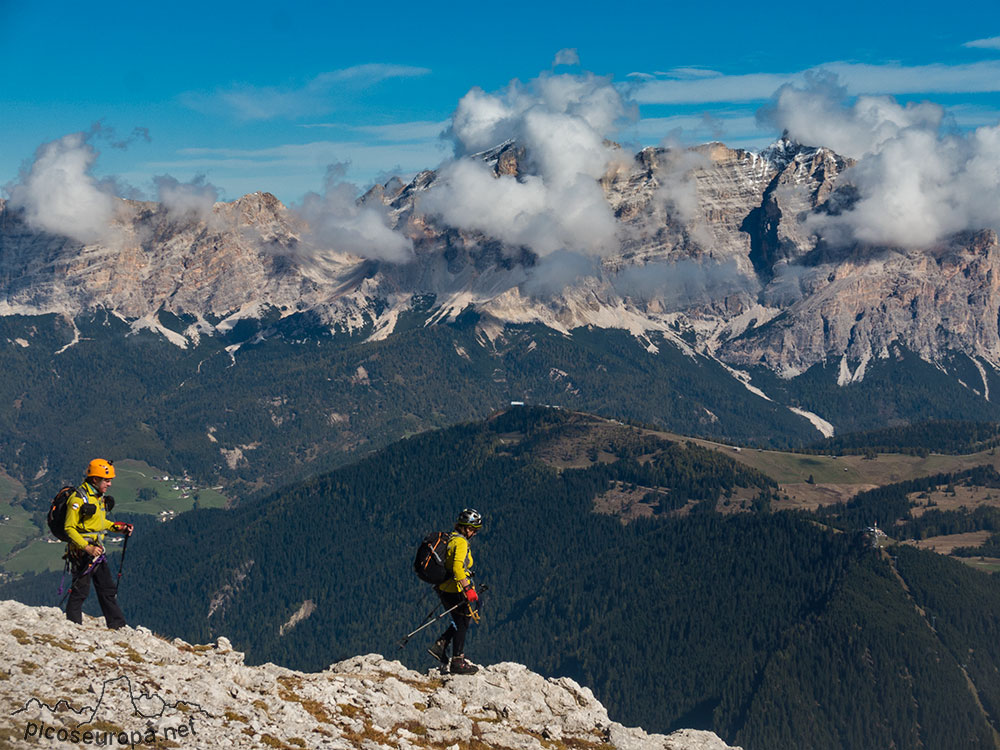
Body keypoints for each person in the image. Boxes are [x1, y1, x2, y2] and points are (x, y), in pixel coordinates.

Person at [64, 458, 133, 629]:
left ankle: (118, 626)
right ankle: (73, 628)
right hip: (82, 552)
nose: (109, 484)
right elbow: (69, 528)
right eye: (106, 480)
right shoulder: (78, 499)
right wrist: (87, 547)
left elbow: (102, 524)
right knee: (80, 591)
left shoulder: (98, 497)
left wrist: (120, 528)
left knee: (107, 590)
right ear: (95, 479)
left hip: (96, 551)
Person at [428, 508, 482, 675]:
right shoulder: (461, 542)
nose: (474, 533)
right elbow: (457, 567)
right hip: (455, 589)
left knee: (460, 620)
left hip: (444, 588)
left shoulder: (451, 538)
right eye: (472, 529)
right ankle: (457, 661)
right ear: (465, 528)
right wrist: (467, 588)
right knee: (463, 622)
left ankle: (442, 643)